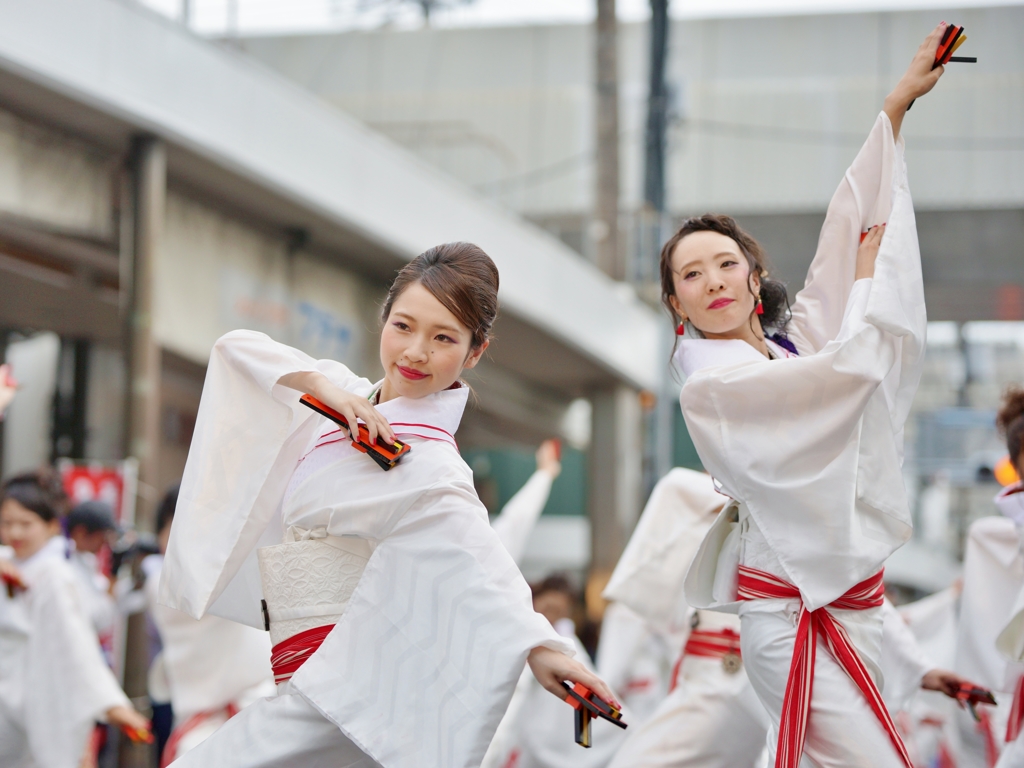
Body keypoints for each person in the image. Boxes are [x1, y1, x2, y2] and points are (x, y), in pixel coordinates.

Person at [159, 243, 617, 768]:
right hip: (296, 673)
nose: (415, 351)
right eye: (403, 326)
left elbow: (484, 561)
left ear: (475, 353)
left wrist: (543, 646)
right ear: (384, 320)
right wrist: (325, 390)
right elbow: (235, 347)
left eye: (443, 338)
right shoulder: (339, 399)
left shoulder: (434, 464)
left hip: (348, 680)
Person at [665, 26, 949, 768]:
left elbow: (838, 240)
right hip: (788, 613)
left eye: (728, 263)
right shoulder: (715, 384)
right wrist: (867, 279)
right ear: (677, 305)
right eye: (692, 275)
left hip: (844, 605)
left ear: (755, 280)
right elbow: (845, 371)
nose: (715, 280)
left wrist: (895, 107)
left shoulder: (783, 351)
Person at [0, 469, 149, 768]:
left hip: (32, 702)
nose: (14, 533)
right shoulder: (10, 562)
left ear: (52, 526)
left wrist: (111, 704)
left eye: (25, 524)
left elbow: (75, 642)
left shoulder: (53, 575)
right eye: (6, 523)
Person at [144, 485, 275, 767]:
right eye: (174, 527)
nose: (185, 536)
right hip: (204, 725)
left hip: (260, 708)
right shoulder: (161, 583)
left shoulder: (235, 567)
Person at [482, 576, 627, 768]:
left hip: (549, 728)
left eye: (559, 612)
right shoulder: (510, 632)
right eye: (548, 607)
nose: (550, 616)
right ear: (534, 600)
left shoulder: (566, 642)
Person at [65, 500, 119, 642]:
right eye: (103, 535)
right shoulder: (65, 563)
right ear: (81, 532)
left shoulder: (85, 560)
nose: (105, 542)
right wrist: (114, 575)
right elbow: (96, 620)